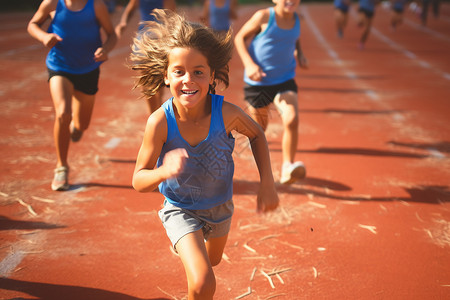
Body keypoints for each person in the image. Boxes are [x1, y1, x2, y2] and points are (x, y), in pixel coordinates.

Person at [130, 9, 279, 299]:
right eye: (179, 72)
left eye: (198, 71)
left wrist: (268, 182)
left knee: (212, 262)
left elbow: (257, 135)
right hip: (179, 208)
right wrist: (163, 171)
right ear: (166, 76)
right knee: (203, 283)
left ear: (211, 76)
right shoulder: (160, 122)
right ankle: (186, 244)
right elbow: (138, 180)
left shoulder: (227, 114)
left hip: (220, 207)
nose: (189, 79)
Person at [27, 0, 117, 191]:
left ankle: (76, 126)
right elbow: (32, 24)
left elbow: (112, 35)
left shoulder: (96, 6)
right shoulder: (52, 3)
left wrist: (106, 50)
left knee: (82, 124)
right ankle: (61, 166)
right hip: (59, 66)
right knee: (62, 113)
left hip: (88, 69)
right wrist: (44, 37)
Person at [234, 0, 308, 185]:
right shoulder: (264, 16)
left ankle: (287, 167)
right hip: (259, 81)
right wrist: (250, 65)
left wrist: (300, 53)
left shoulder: (297, 19)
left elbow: (294, 38)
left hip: (284, 80)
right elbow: (239, 38)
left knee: (292, 119)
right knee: (260, 131)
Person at [115, 0, 176, 114]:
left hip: (158, 37)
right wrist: (123, 23)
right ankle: (154, 114)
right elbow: (132, 6)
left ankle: (156, 112)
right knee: (148, 81)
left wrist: (123, 22)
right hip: (147, 38)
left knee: (157, 79)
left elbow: (171, 13)